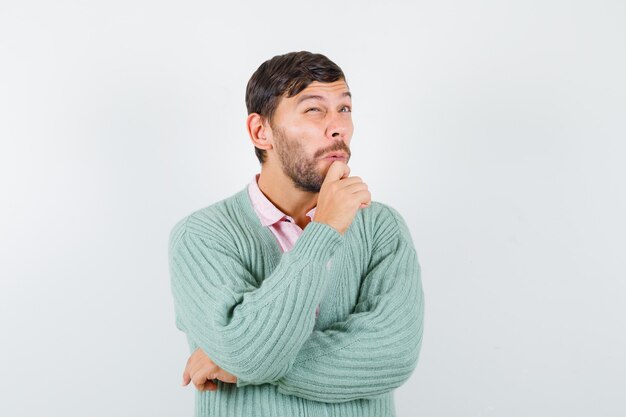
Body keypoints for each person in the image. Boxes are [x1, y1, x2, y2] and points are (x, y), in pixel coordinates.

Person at [169, 51, 424, 417]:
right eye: (314, 110)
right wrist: (324, 231)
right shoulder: (201, 236)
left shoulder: (381, 227)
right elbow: (247, 352)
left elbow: (393, 354)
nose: (338, 127)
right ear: (261, 132)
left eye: (345, 109)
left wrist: (247, 366)